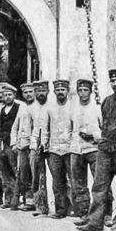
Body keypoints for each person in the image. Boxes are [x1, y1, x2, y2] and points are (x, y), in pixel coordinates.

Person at [77, 69, 116, 231]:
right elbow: (104, 125)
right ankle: (95, 221)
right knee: (99, 186)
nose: (115, 84)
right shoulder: (106, 101)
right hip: (105, 150)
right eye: (113, 81)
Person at [70, 78, 109, 226]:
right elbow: (70, 128)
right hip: (76, 149)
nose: (82, 93)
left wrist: (93, 136)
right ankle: (84, 213)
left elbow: (105, 130)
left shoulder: (97, 108)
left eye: (85, 90)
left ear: (90, 92)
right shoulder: (73, 109)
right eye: (80, 90)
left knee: (100, 182)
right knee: (79, 184)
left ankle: (105, 214)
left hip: (94, 149)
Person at [44, 78, 73, 219]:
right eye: (58, 90)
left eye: (63, 90)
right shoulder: (50, 108)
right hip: (54, 149)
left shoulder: (73, 106)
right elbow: (46, 128)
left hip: (69, 148)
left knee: (73, 179)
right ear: (54, 91)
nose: (60, 92)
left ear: (67, 91)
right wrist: (45, 145)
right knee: (57, 181)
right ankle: (60, 210)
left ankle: (74, 209)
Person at [0, 83, 20, 209]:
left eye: (10, 95)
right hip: (3, 143)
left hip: (14, 143)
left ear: (14, 95)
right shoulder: (1, 109)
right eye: (5, 95)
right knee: (4, 172)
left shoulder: (20, 107)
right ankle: (8, 199)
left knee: (15, 170)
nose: (8, 97)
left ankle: (18, 198)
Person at [11, 82, 36, 211]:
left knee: (34, 174)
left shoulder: (38, 107)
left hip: (33, 146)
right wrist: (14, 142)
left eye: (30, 92)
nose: (28, 94)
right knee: (23, 174)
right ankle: (27, 200)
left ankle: (34, 202)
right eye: (25, 92)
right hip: (22, 146)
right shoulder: (22, 107)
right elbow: (15, 126)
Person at [29, 80, 51, 217]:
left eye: (43, 91)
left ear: (47, 92)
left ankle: (62, 205)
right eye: (38, 91)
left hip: (50, 146)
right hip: (35, 145)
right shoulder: (31, 108)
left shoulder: (52, 106)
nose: (40, 93)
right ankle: (40, 205)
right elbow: (29, 127)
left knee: (53, 176)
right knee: (36, 176)